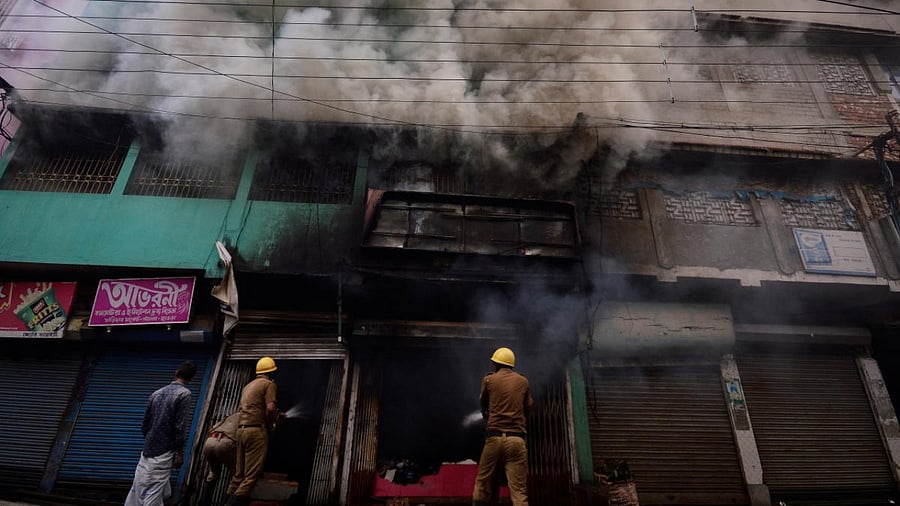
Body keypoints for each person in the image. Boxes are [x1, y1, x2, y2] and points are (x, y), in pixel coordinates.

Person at [125, 360, 198, 506]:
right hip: (164, 450)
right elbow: (180, 426)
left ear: (176, 373)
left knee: (142, 486)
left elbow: (145, 424)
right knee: (153, 491)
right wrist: (180, 453)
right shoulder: (184, 394)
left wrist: (151, 438)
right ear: (191, 378)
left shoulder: (156, 393)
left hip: (148, 448)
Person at [472, 347, 533, 506]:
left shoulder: (489, 380)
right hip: (517, 441)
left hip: (495, 439)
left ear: (496, 364)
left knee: (482, 483)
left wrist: (488, 415)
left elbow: (483, 403)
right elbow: (528, 408)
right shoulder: (523, 381)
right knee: (519, 491)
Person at [224, 356, 279, 506]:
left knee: (238, 475)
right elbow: (270, 408)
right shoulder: (269, 384)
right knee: (250, 476)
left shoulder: (247, 386)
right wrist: (271, 423)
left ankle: (226, 500)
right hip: (256, 431)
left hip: (241, 431)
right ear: (271, 372)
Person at [203, 411, 240, 483]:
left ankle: (211, 478)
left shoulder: (228, 416)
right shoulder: (247, 417)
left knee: (214, 472)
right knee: (236, 472)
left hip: (210, 441)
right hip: (225, 442)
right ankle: (235, 489)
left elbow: (211, 430)